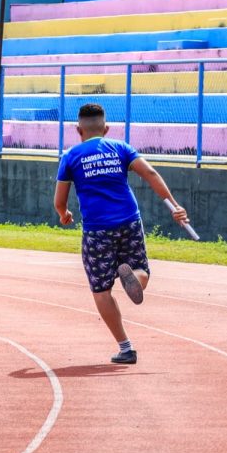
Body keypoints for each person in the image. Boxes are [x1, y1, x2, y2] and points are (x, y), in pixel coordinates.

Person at [54, 103, 189, 364]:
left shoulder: (71, 157)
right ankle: (136, 278)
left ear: (78, 130)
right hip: (129, 221)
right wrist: (174, 206)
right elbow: (150, 173)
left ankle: (126, 348)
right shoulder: (121, 148)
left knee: (101, 290)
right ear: (106, 129)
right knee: (141, 269)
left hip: (97, 230)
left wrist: (64, 214)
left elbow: (59, 201)